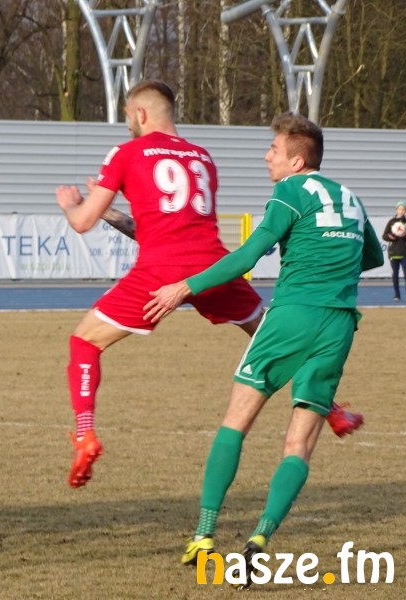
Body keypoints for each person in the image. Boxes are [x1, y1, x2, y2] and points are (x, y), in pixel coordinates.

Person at [143, 112, 384, 586]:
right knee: (300, 444)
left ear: (296, 161)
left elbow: (247, 257)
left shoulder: (290, 191)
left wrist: (184, 288)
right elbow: (372, 256)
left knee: (236, 421)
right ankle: (259, 540)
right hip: (338, 325)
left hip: (291, 315)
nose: (266, 156)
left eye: (273, 149)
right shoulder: (351, 198)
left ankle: (204, 535)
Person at [55, 80, 264, 490]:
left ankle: (85, 435)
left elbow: (81, 223)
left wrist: (71, 205)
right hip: (213, 268)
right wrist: (114, 215)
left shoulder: (126, 152)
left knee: (84, 342)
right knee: (272, 335)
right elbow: (169, 230)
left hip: (159, 272)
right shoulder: (202, 156)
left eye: (127, 117)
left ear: (140, 114)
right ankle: (331, 410)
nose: (127, 125)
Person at [382, 201, 406, 301]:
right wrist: (390, 237)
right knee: (395, 276)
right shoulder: (391, 222)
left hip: (404, 253)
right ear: (396, 210)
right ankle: (397, 295)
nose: (401, 211)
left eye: (403, 209)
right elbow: (384, 236)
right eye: (400, 209)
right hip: (393, 253)